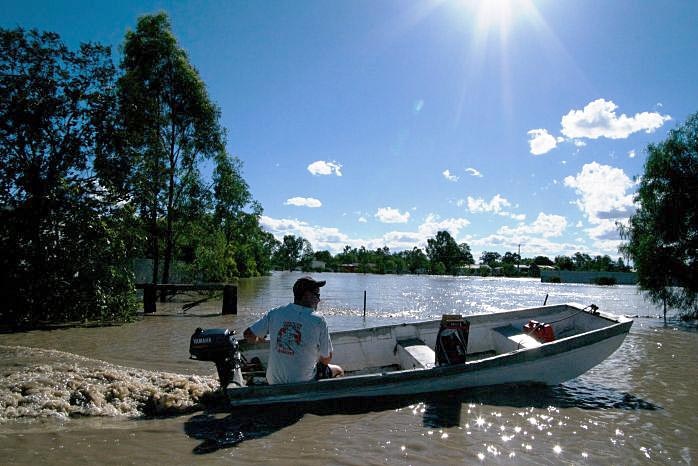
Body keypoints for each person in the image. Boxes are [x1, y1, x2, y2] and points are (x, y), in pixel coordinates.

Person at [244, 276, 343, 384]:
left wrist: (260, 340)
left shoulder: (275, 312)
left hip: (273, 381)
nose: (319, 300)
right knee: (338, 370)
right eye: (317, 295)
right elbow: (326, 358)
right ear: (306, 295)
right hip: (303, 382)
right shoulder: (319, 321)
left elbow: (248, 335)